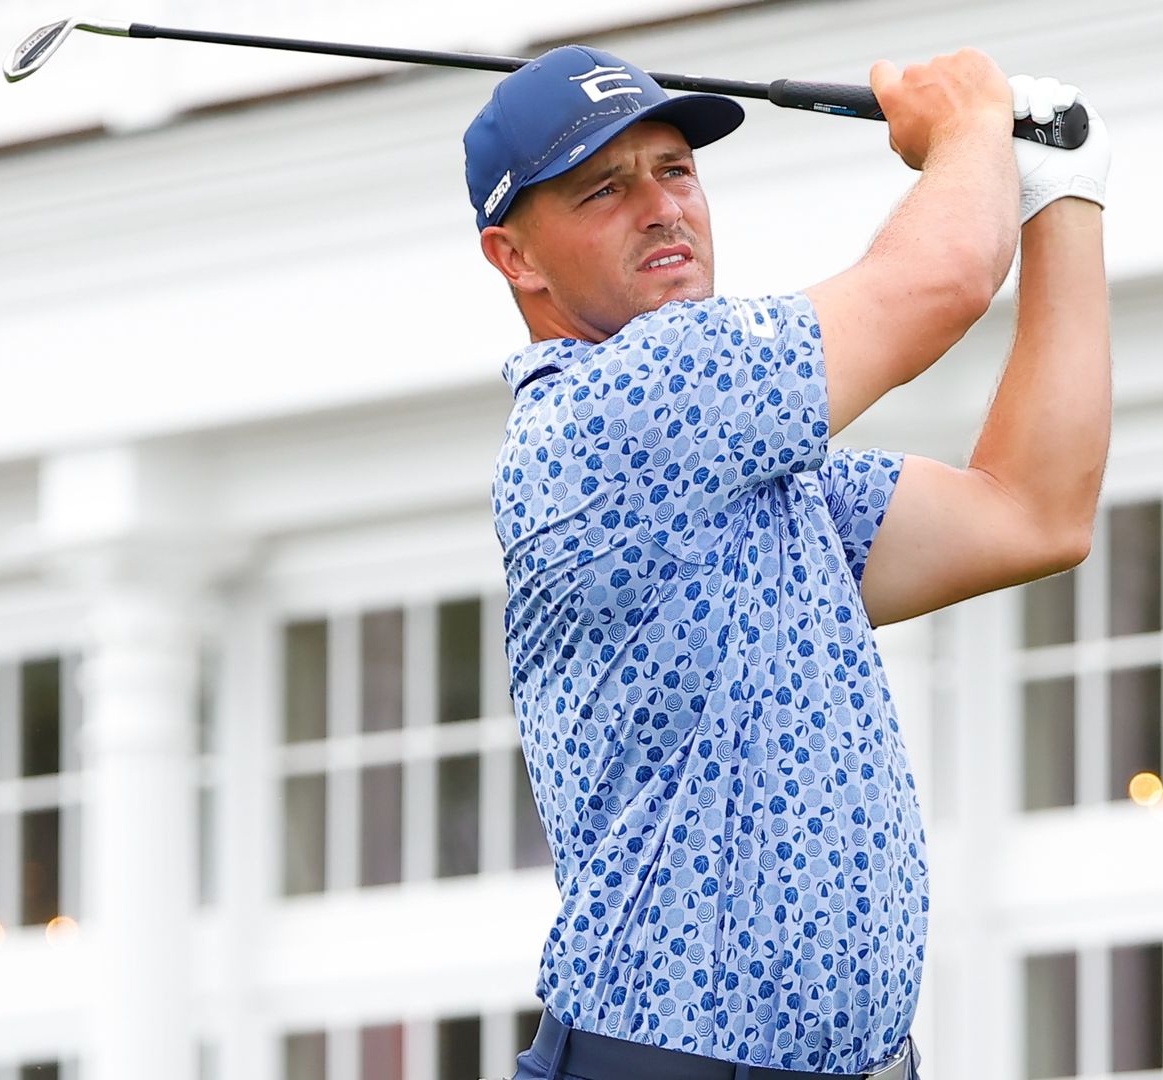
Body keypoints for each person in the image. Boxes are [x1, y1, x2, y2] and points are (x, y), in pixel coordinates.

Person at [469, 41, 1111, 1080]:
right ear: (518, 259)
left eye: (675, 169)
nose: (662, 207)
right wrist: (967, 127)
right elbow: (940, 279)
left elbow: (1034, 513)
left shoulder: (758, 477)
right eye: (604, 189)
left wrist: (1062, 194)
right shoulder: (615, 412)